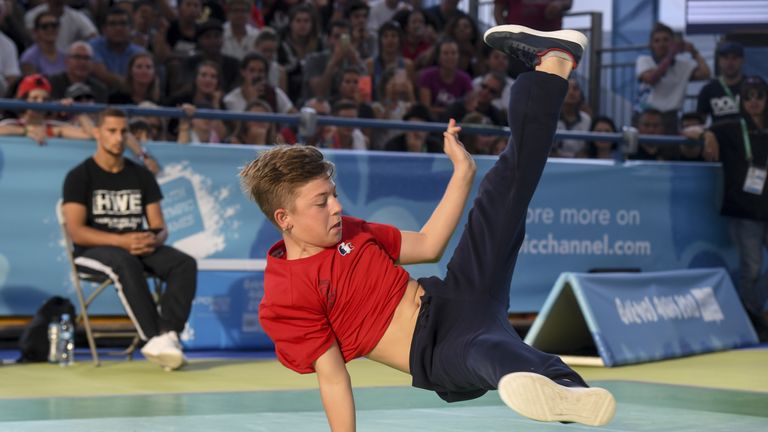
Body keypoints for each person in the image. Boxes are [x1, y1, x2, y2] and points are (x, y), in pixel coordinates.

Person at [239, 25, 615, 429]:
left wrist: (463, 174)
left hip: (457, 295)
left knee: (506, 189)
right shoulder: (286, 296)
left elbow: (428, 245)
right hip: (436, 350)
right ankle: (564, 388)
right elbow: (333, 379)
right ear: (284, 218)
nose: (337, 206)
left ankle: (553, 65)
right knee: (487, 353)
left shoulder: (349, 230)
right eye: (322, 202)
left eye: (333, 194)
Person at [61, 107, 197, 370]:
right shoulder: (79, 176)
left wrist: (154, 239)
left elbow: (159, 226)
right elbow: (76, 231)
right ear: (98, 133)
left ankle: (169, 335)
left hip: (136, 246)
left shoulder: (141, 174)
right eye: (112, 131)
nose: (118, 137)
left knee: (184, 263)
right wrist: (121, 241)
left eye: (123, 131)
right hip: (92, 251)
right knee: (124, 262)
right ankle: (154, 338)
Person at [692, 76, 768, 342]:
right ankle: (752, 316)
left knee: (754, 269)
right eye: (748, 96)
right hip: (745, 209)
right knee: (752, 268)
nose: (754, 101)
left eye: (759, 95)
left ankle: (756, 310)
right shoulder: (731, 126)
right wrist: (707, 134)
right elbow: (688, 129)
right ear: (741, 101)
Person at [635, 22, 710, 134]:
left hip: (670, 117)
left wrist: (694, 52)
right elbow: (651, 79)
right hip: (646, 115)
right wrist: (670, 55)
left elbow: (705, 73)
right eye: (657, 41)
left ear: (672, 42)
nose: (661, 44)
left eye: (666, 40)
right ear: (651, 45)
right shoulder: (644, 60)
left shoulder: (684, 65)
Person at [697, 42, 745, 126]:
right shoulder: (708, 90)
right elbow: (699, 122)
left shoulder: (752, 86)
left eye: (734, 58)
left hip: (747, 133)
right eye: (725, 58)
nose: (730, 63)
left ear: (742, 61)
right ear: (719, 61)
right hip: (717, 134)